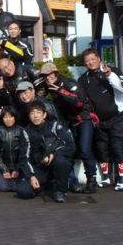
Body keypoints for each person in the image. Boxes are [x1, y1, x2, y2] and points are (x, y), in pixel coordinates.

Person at [78, 48, 123, 191]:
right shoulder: (83, 79)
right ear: (84, 63)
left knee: (118, 147)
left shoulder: (113, 71)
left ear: (98, 59)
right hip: (99, 121)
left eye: (93, 59)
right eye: (87, 61)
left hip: (118, 117)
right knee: (101, 149)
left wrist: (109, 75)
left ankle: (122, 180)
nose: (90, 62)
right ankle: (106, 178)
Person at [41, 62, 99, 193]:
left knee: (85, 150)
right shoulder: (48, 86)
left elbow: (79, 102)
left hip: (84, 119)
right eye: (45, 76)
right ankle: (70, 182)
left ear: (56, 73)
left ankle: (92, 181)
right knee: (70, 150)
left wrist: (60, 91)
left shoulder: (68, 83)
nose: (48, 77)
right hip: (69, 122)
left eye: (50, 74)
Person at [17, 100, 75, 203]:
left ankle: (60, 191)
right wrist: (31, 176)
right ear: (29, 116)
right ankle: (45, 185)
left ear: (44, 115)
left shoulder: (55, 126)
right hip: (39, 167)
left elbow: (70, 146)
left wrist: (53, 154)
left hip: (56, 163)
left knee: (61, 161)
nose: (35, 116)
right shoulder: (26, 132)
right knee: (24, 191)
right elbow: (24, 157)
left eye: (38, 112)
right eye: (32, 113)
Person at [0, 106, 23, 192]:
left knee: (17, 188)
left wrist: (17, 169)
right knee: (3, 187)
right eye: (5, 117)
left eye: (11, 116)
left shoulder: (21, 131)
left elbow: (23, 152)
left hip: (18, 165)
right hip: (4, 165)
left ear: (15, 117)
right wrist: (4, 170)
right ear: (2, 118)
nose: (8, 119)